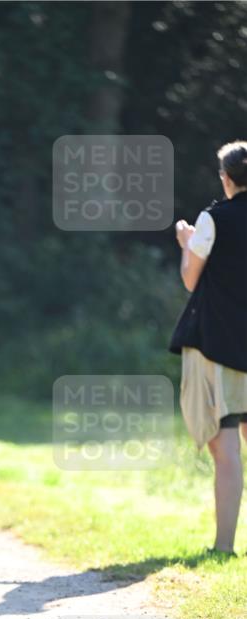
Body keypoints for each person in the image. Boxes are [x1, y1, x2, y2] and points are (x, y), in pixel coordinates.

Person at [170, 139, 247, 555]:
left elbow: (190, 279)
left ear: (226, 178)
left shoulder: (213, 219)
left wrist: (187, 241)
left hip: (221, 344)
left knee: (226, 443)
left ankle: (223, 546)